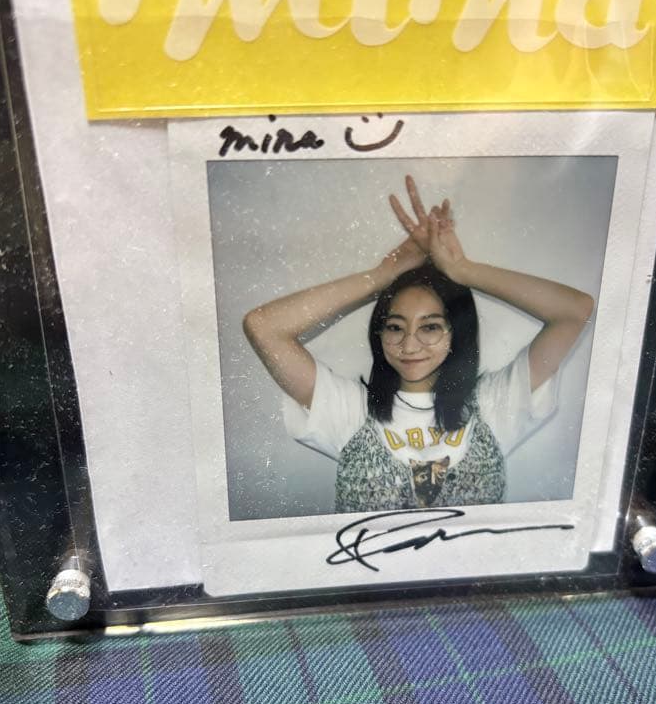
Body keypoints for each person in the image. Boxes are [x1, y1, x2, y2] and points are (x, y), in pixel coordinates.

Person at [243, 176, 594, 512]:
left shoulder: (495, 404)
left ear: (456, 333)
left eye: (430, 327)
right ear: (379, 333)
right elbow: (263, 327)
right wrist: (379, 276)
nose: (409, 346)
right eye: (395, 327)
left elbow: (574, 310)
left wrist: (463, 270)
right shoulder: (349, 410)